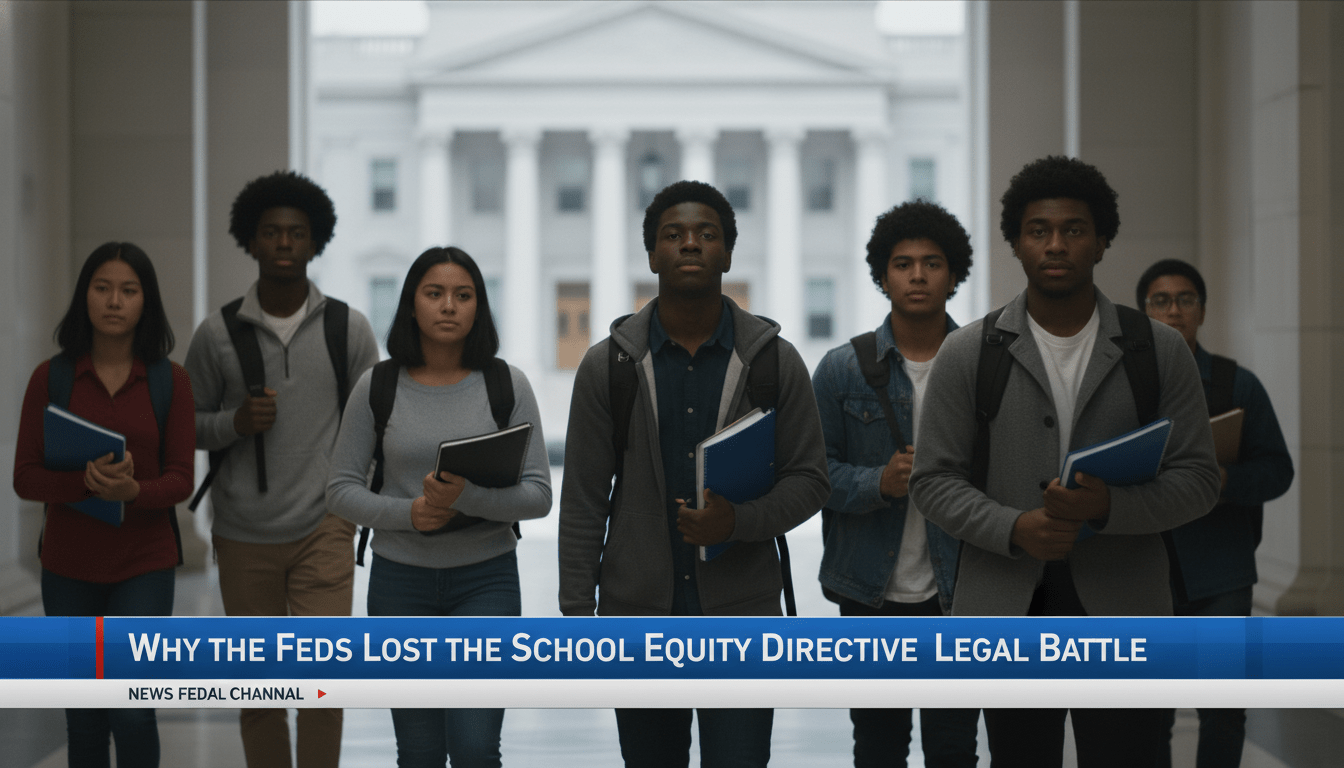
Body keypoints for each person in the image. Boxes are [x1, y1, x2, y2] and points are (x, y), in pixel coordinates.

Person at [908, 156, 1221, 767]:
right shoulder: (969, 351)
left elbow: (1199, 480)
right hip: (1008, 607)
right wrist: (1014, 526)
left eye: (1074, 229)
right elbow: (933, 481)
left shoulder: (1156, 350)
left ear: (1102, 240)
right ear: (1016, 244)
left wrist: (1109, 506)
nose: (1056, 244)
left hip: (1126, 608)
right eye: (1038, 230)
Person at [559, 180, 830, 768]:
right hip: (637, 617)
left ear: (728, 253)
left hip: (743, 616)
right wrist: (578, 614)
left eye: (706, 234)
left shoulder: (773, 360)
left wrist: (740, 522)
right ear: (652, 254)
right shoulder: (610, 365)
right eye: (673, 235)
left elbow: (810, 480)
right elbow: (583, 497)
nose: (689, 245)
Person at [327, 246, 551, 767]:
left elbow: (539, 495)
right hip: (399, 583)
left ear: (479, 307)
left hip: (487, 580)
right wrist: (411, 514)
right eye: (434, 294)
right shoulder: (377, 386)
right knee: (421, 751)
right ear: (411, 305)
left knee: (474, 747)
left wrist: (464, 499)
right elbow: (339, 490)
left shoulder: (506, 384)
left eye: (462, 295)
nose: (448, 306)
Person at [184, 171, 379, 768]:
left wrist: (355, 503)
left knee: (321, 685)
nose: (285, 243)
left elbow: (375, 419)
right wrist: (233, 424)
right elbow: (184, 424)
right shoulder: (218, 333)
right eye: (271, 232)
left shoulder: (349, 328)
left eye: (297, 232)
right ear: (251, 241)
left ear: (316, 240)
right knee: (260, 691)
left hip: (325, 527)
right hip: (244, 532)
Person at [14, 242, 194, 768]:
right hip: (68, 566)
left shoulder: (171, 380)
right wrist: (84, 485)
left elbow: (181, 478)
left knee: (132, 709)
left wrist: (133, 492)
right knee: (85, 713)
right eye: (102, 287)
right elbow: (25, 478)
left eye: (128, 290)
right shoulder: (52, 378)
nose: (114, 301)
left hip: (145, 564)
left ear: (146, 302)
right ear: (84, 296)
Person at [813, 200, 979, 768]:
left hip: (961, 590)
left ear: (954, 274)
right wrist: (876, 482)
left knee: (954, 747)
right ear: (882, 275)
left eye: (932, 263)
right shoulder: (842, 368)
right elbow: (811, 476)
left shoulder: (985, 362)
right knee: (879, 744)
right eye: (903, 263)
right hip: (869, 590)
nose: (917, 275)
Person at [1136, 259, 1294, 768]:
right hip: (1144, 569)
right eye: (1160, 300)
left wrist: (1225, 480)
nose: (1174, 310)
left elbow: (1278, 470)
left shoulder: (1236, 384)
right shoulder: (1126, 385)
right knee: (1149, 712)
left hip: (1221, 571)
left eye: (1185, 299)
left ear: (1201, 311)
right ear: (1144, 313)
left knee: (1223, 708)